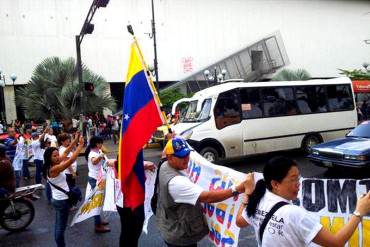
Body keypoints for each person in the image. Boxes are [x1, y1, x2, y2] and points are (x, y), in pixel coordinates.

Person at [236, 156, 370, 247]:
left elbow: (239, 222)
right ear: (275, 184)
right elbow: (336, 243)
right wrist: (359, 212)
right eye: (293, 179)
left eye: (298, 178)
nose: (298, 184)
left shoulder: (259, 199)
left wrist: (248, 193)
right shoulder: (294, 213)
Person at [156, 136, 248, 247]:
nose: (186, 159)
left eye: (187, 154)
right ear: (170, 157)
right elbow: (208, 197)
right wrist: (237, 189)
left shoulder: (164, 165)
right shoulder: (176, 182)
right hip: (180, 237)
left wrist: (174, 138)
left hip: (170, 224)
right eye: (181, 156)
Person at [44, 134, 84, 247]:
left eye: (57, 155)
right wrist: (80, 146)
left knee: (59, 224)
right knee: (61, 228)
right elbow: (71, 160)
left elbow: (66, 152)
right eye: (55, 156)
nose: (58, 157)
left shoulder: (52, 164)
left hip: (58, 200)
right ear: (49, 158)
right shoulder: (54, 169)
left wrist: (75, 141)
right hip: (61, 201)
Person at [114, 158, 155, 247]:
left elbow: (110, 162)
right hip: (134, 205)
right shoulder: (137, 170)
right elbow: (150, 164)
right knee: (133, 236)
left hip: (121, 203)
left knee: (125, 231)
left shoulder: (117, 163)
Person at [85, 136, 110, 233]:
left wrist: (101, 154)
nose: (102, 145)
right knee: (97, 202)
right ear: (97, 144)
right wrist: (101, 155)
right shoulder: (92, 153)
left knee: (99, 201)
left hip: (98, 179)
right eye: (101, 143)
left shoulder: (97, 152)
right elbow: (94, 161)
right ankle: (97, 225)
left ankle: (99, 221)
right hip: (95, 179)